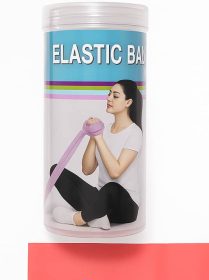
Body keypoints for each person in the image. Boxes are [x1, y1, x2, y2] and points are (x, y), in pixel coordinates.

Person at [50, 80, 143, 229]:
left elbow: (115, 172)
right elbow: (87, 170)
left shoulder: (134, 132)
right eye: (109, 94)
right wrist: (94, 135)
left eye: (115, 96)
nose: (109, 98)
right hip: (101, 200)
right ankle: (98, 217)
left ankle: (78, 218)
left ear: (128, 102)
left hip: (125, 207)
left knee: (111, 188)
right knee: (56, 170)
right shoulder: (104, 129)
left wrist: (99, 137)